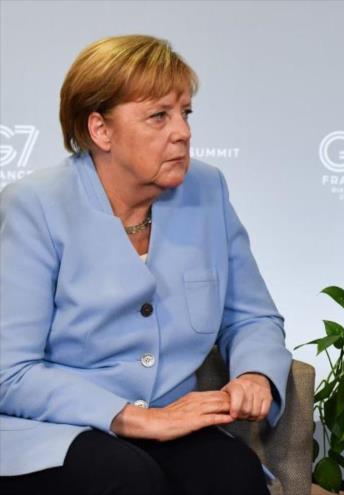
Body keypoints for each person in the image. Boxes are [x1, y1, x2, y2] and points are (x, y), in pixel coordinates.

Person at [0, 35, 292, 495]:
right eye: (159, 115)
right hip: (58, 428)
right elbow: (10, 372)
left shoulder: (207, 189)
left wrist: (255, 373)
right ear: (101, 130)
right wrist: (137, 419)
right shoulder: (34, 206)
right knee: (128, 480)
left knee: (233, 476)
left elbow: (253, 316)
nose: (183, 131)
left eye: (185, 113)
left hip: (171, 419)